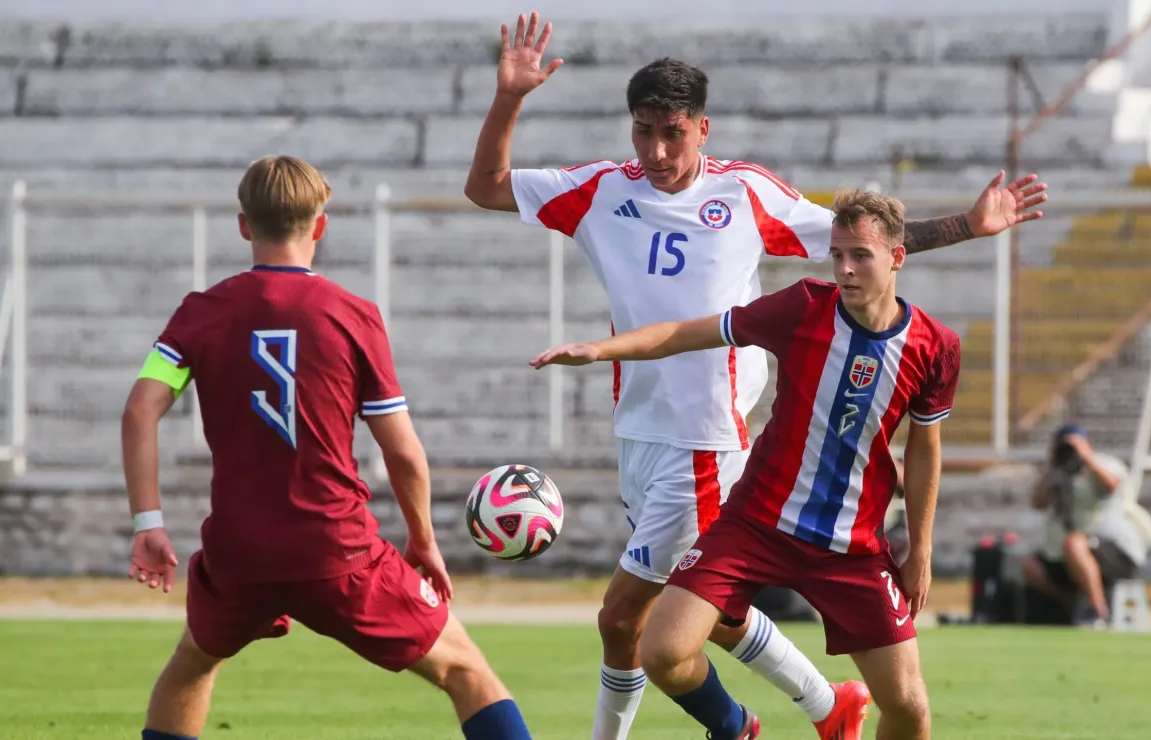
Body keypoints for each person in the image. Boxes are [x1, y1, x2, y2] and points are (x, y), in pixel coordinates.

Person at [465, 12, 1047, 740]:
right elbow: (485, 187)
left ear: (701, 130)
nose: (656, 149)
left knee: (623, 618)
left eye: (672, 132)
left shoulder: (745, 194)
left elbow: (861, 241)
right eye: (643, 131)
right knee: (712, 612)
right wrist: (510, 97)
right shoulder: (598, 191)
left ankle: (717, 729)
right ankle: (827, 707)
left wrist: (965, 224)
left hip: (708, 438)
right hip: (639, 430)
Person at [121, 155, 533, 740]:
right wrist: (423, 541)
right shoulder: (352, 315)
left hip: (239, 554)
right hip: (335, 549)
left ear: (244, 226)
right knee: (466, 669)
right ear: (320, 225)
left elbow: (139, 409)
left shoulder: (200, 313)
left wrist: (149, 522)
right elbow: (404, 453)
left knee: (192, 663)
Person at [532, 189, 960, 740]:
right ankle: (739, 727)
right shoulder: (802, 307)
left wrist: (920, 550)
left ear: (897, 259)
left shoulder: (935, 347)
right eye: (837, 255)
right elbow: (689, 332)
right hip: (756, 523)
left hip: (851, 546)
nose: (846, 269)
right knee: (663, 650)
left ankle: (826, 708)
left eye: (861, 256)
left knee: (909, 707)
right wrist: (601, 349)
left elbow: (925, 449)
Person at [1019, 424, 1148, 627]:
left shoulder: (1105, 464)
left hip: (1115, 549)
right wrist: (1055, 465)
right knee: (1030, 565)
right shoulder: (1058, 470)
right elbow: (1038, 503)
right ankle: (1071, 606)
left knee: (1073, 543)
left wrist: (1086, 457)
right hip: (1075, 553)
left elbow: (1112, 486)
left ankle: (1098, 611)